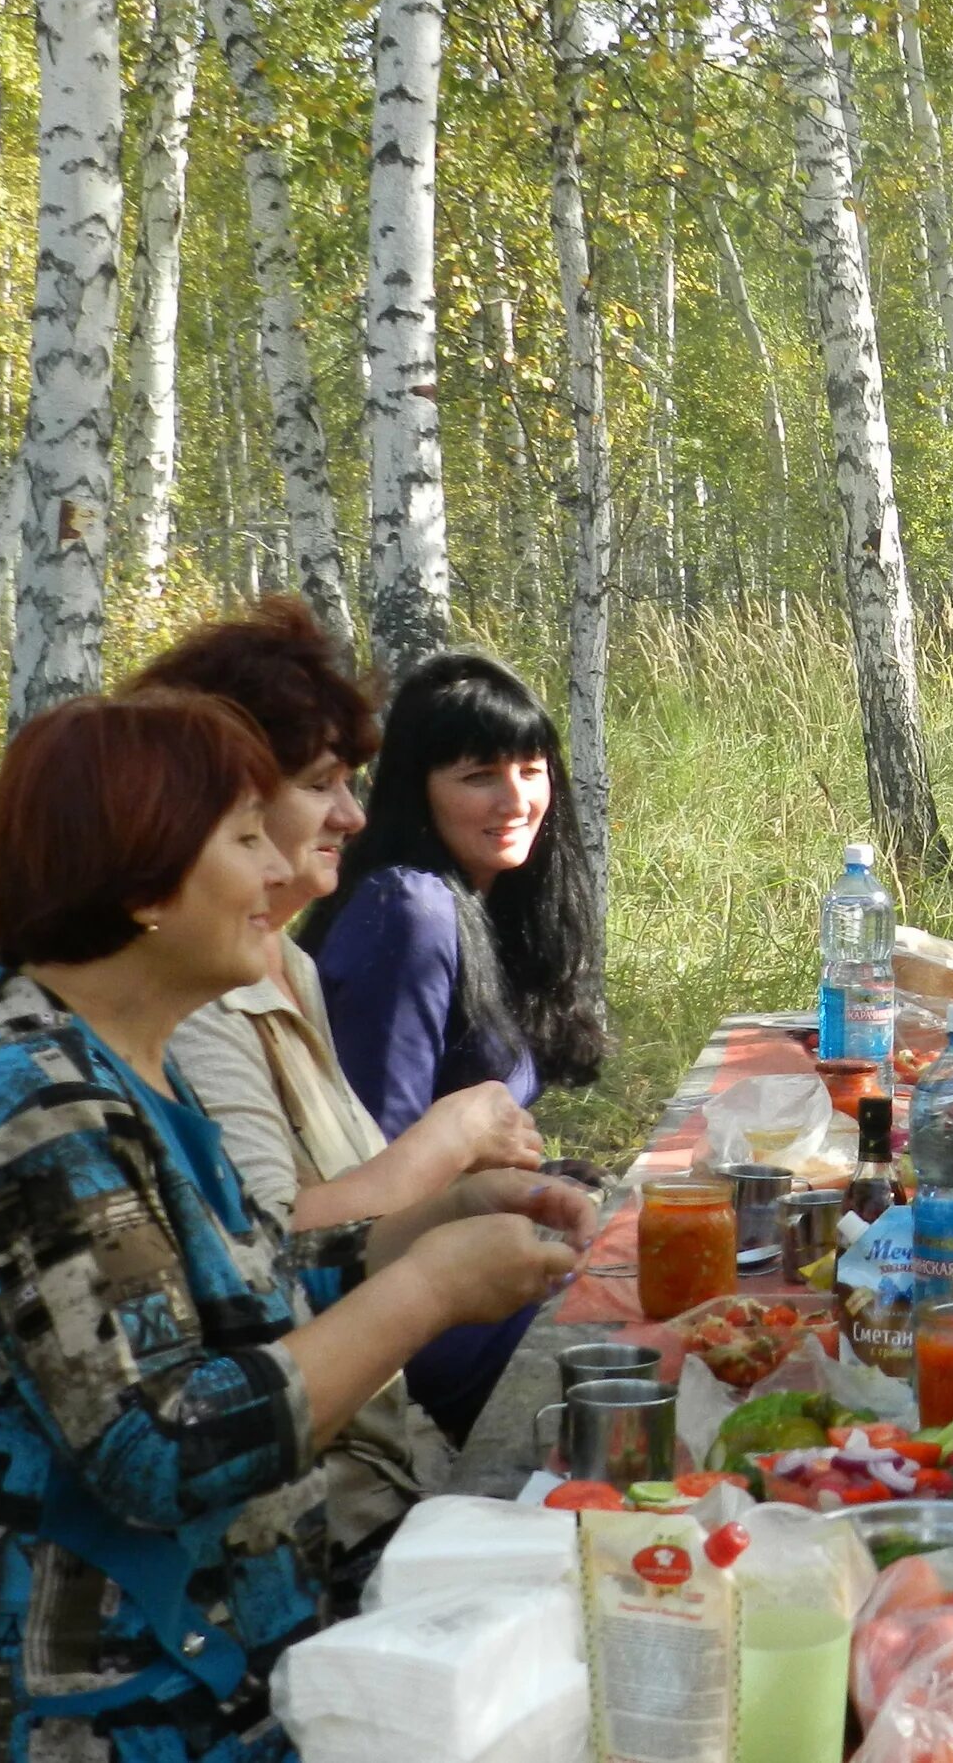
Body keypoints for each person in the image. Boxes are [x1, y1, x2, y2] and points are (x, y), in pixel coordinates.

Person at [0, 693, 588, 1763]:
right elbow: (162, 1445)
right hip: (43, 1701)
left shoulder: (120, 1059)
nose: (281, 871)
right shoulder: (30, 1109)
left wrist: (430, 1223)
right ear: (142, 883)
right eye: (243, 842)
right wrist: (429, 1293)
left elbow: (229, 1286)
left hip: (187, 1657)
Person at [134, 601, 547, 1561]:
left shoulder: (281, 962)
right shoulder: (133, 1030)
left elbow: (273, 1263)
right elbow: (169, 1440)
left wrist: (464, 1204)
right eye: (321, 784)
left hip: (387, 1466)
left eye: (531, 770)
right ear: (202, 806)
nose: (353, 817)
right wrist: (438, 1254)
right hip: (312, 1540)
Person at [302, 655, 601, 1434]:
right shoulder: (410, 910)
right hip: (410, 1311)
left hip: (463, 1258)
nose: (516, 800)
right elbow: (373, 1176)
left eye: (532, 770)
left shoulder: (483, 903)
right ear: (415, 789)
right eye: (478, 776)